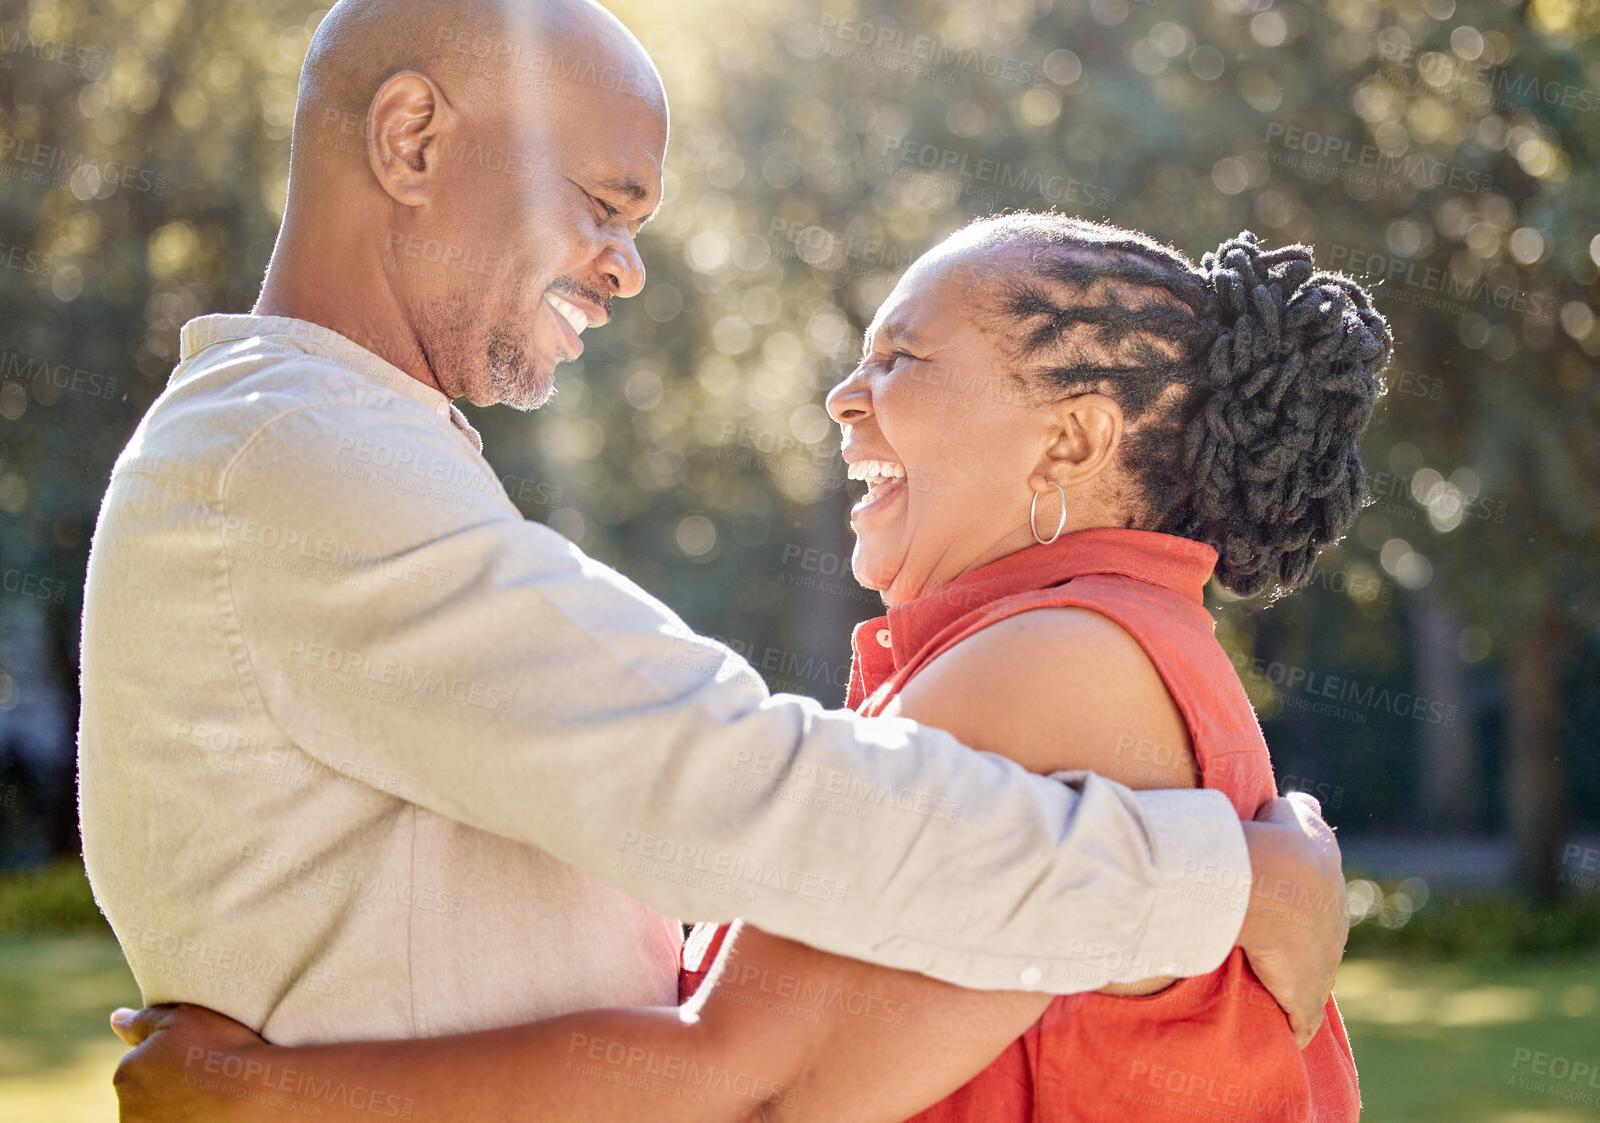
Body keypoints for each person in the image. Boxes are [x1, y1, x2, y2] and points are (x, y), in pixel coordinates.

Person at [110, 215, 1379, 1122]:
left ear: (1071, 439)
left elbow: (742, 1086)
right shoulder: (1087, 644)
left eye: (901, 360)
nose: (843, 396)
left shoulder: (1050, 666)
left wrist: (259, 1093)